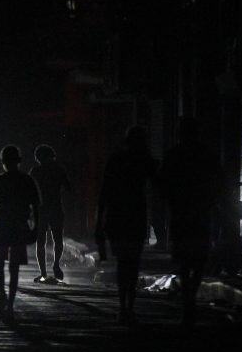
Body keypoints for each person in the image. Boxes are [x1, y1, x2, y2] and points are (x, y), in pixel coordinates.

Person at [160, 118, 225, 327]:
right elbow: (220, 181)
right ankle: (190, 297)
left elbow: (163, 184)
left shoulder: (174, 155)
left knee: (185, 260)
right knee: (197, 259)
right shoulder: (206, 155)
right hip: (200, 213)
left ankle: (188, 298)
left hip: (181, 213)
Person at [95, 127, 157, 325]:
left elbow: (104, 191)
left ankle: (124, 306)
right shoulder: (144, 161)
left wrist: (99, 221)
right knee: (133, 262)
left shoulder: (116, 159)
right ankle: (129, 305)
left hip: (117, 216)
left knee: (123, 263)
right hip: (135, 216)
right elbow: (158, 184)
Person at [0, 145, 39, 323]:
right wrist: (35, 228)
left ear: (4, 162)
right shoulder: (26, 180)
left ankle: (2, 294)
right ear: (19, 161)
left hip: (1, 227)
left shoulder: (0, 179)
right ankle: (10, 304)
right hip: (19, 228)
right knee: (14, 268)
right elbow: (36, 206)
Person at [29, 144, 71, 283]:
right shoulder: (59, 170)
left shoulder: (35, 171)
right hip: (56, 208)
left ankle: (43, 273)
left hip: (41, 210)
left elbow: (30, 191)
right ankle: (56, 264)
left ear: (38, 158)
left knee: (41, 241)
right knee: (57, 239)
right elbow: (68, 188)